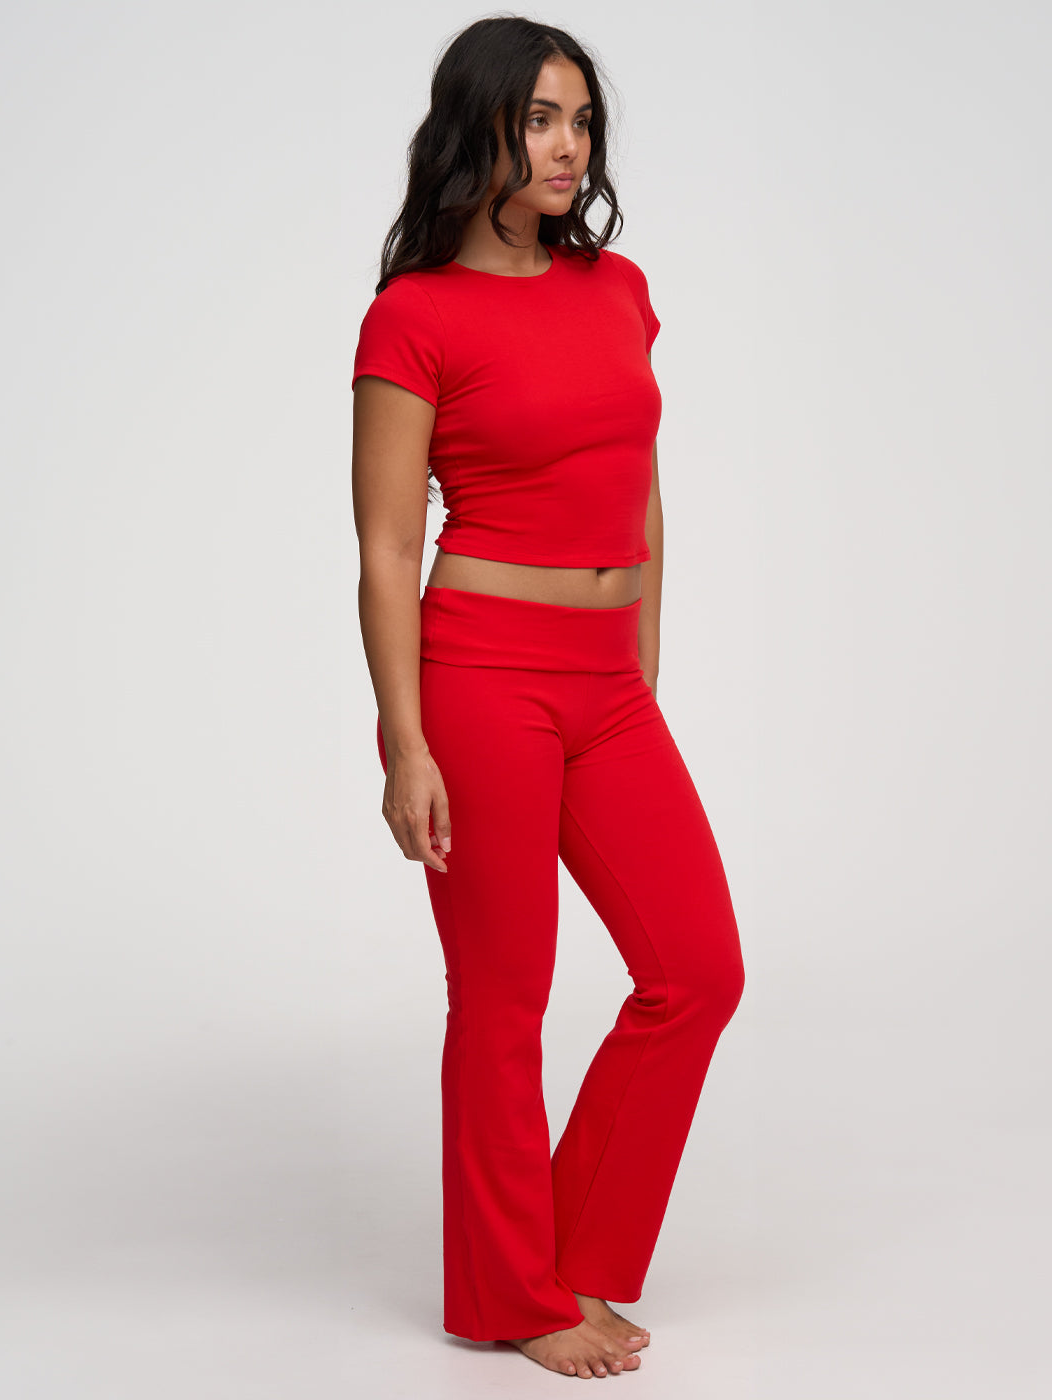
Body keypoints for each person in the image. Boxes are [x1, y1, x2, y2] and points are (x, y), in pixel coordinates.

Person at [350, 16, 746, 1381]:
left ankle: (568, 1256)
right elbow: (387, 550)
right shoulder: (414, 317)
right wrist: (406, 744)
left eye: (580, 119)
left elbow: (641, 485)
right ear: (479, 131)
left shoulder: (618, 288)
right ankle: (511, 1293)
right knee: (505, 995)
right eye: (538, 120)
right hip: (481, 679)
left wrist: (642, 666)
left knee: (698, 970)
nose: (568, 146)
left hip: (606, 679)